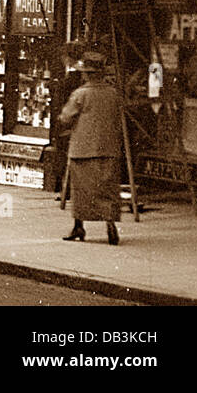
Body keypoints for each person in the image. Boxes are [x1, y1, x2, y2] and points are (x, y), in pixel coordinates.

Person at [58, 51, 123, 246]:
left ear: (87, 74)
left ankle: (79, 225)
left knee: (82, 191)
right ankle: (110, 224)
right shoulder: (113, 93)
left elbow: (65, 118)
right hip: (109, 147)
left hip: (83, 149)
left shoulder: (81, 94)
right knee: (107, 189)